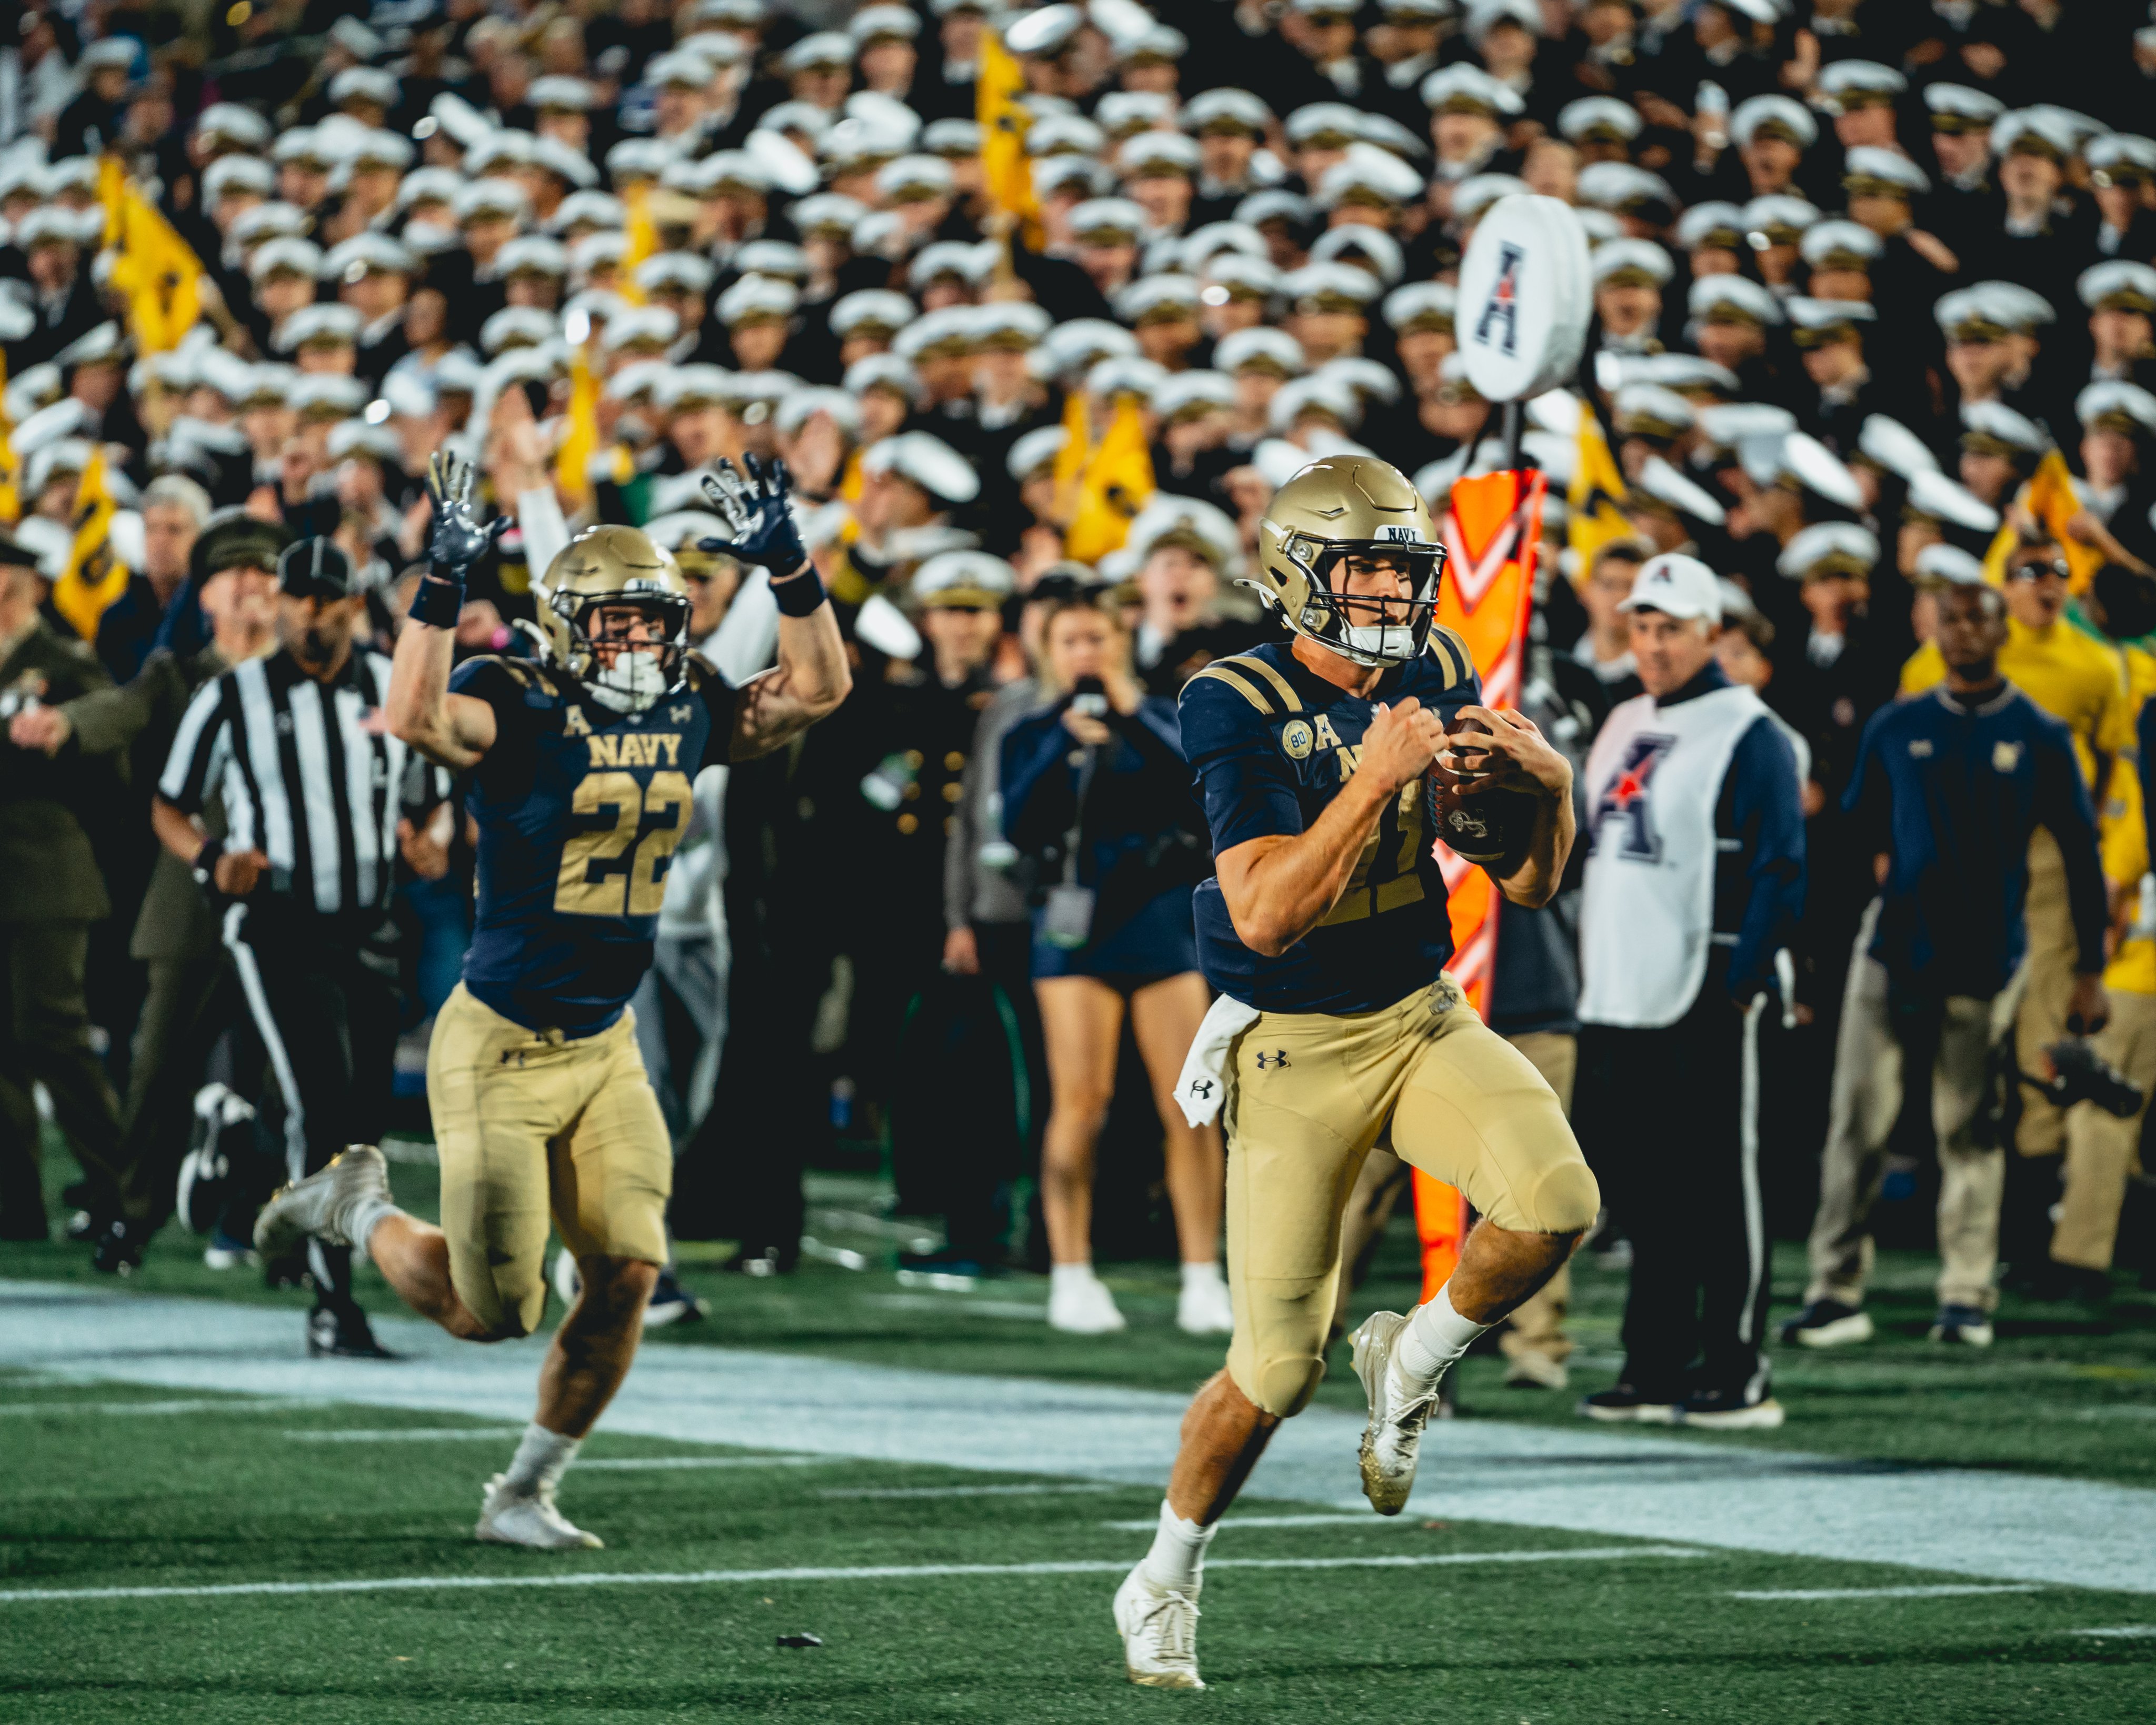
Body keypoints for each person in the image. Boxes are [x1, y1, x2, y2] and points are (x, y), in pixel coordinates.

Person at [254, 453, 846, 1550]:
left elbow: (816, 690)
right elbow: (411, 713)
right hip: (497, 1046)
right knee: (492, 1311)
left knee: (625, 1274)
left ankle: (522, 1490)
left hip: (604, 1044)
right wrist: (439, 580)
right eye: (621, 624)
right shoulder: (511, 697)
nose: (646, 644)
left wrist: (790, 571)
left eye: (657, 623)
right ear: (569, 629)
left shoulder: (689, 705)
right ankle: (359, 1205)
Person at [1113, 455, 1595, 1690]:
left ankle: (1414, 1358)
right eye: (1364, 567)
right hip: (1290, 1045)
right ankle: (1165, 1571)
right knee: (1272, 1369)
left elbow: (1529, 881)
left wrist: (1550, 791)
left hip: (1419, 1014)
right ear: (1295, 573)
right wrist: (1375, 775)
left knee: (1556, 1203)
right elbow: (1265, 914)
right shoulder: (1228, 694)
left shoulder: (1433, 667)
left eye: (1402, 566)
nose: (1389, 591)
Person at [1789, 579, 2110, 1348]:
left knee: (1967, 1129)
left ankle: (1966, 1293)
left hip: (1985, 959)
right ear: (1933, 629)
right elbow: (1852, 833)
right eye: (1952, 618)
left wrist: (2089, 967)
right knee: (1856, 1125)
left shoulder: (2039, 733)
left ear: (2003, 632)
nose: (1963, 631)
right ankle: (1835, 1289)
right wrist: (1819, 943)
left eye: (1978, 618)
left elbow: (2081, 852)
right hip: (1891, 949)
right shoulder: (1897, 724)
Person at [153, 534, 439, 1355]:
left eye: (329, 598)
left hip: (372, 924)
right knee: (323, 1097)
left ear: (353, 604)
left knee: (365, 1111)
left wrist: (433, 836)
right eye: (301, 598)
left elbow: (433, 794)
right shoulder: (232, 695)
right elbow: (170, 805)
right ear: (280, 603)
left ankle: (249, 1158)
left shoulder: (390, 686)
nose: (313, 613)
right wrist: (214, 858)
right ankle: (330, 1297)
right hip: (276, 924)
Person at [7, 510, 283, 1270]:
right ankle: (133, 1213)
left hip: (291, 906)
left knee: (287, 1075)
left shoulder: (312, 672)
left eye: (266, 578)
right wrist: (66, 722)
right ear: (210, 598)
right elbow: (118, 708)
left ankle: (265, 1219)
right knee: (157, 1067)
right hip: (190, 900)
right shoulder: (177, 674)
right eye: (239, 578)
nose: (255, 591)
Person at [1573, 553, 1806, 1428]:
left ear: (1712, 630)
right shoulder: (1623, 716)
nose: (1655, 644)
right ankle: (1656, 1362)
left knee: (1722, 1183)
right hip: (1621, 985)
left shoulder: (1750, 731)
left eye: (1672, 627)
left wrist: (1744, 979)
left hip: (1708, 984)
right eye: (1643, 626)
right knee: (1646, 1187)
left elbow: (1783, 868)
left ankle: (1737, 1366)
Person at [1000, 586, 1227, 1335]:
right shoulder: (1032, 729)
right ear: (1048, 652)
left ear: (1120, 643)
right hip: (1075, 930)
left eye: (1097, 637)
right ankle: (1071, 1269)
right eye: (1070, 640)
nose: (1085, 652)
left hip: (1162, 922)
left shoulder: (1162, 716)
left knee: (1187, 1103)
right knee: (1081, 1101)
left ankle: (1203, 1271)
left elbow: (1195, 794)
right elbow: (1017, 818)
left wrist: (1127, 712)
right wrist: (1067, 742)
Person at [0, 530, 125, 1243]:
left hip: (47, 874)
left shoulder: (64, 663)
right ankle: (18, 1202)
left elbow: (108, 758)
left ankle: (116, 1190)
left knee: (54, 1036)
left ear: (24, 583)